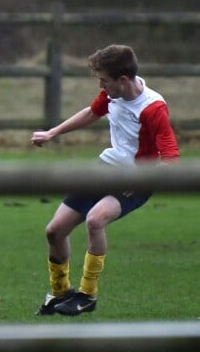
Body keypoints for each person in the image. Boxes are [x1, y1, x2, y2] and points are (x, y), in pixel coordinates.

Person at [31, 44, 179, 316]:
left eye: (103, 80)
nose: (100, 85)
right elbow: (91, 113)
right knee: (54, 231)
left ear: (122, 80)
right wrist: (53, 132)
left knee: (95, 220)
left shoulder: (153, 108)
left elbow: (171, 156)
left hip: (134, 181)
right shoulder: (112, 95)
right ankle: (60, 293)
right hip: (105, 169)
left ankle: (87, 295)